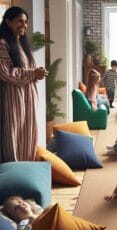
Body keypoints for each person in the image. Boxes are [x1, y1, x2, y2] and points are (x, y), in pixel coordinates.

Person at [0, 6, 48, 163]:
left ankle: (26, 173)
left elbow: (28, 69)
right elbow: (6, 72)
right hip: (13, 98)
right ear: (8, 22)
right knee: (14, 136)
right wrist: (33, 73)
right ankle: (14, 179)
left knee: (28, 135)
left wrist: (37, 72)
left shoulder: (22, 43)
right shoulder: (2, 44)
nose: (24, 25)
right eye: (20, 21)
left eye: (26, 22)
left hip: (28, 97)